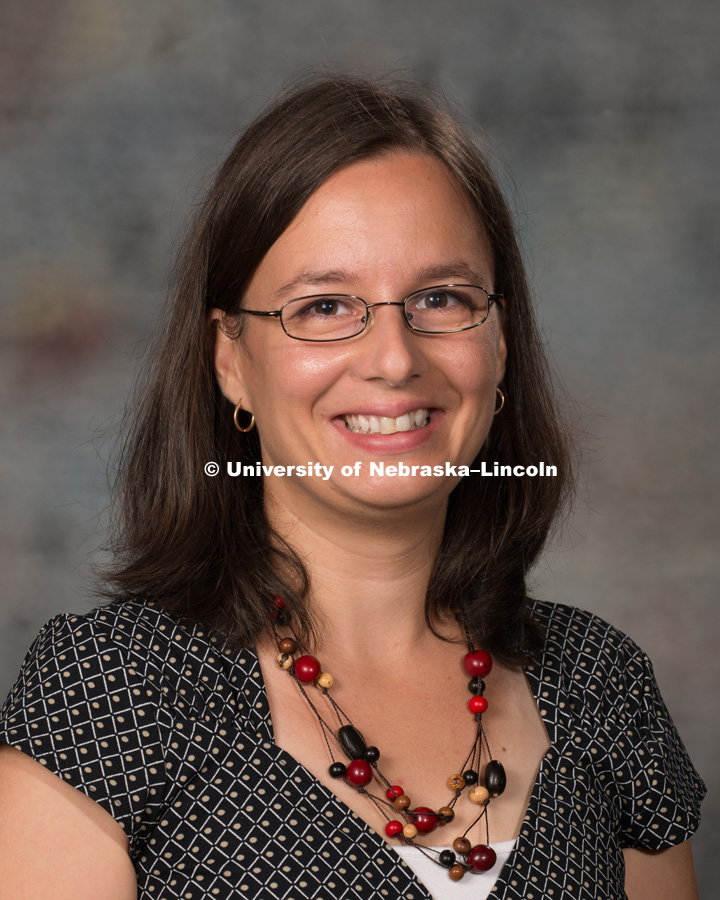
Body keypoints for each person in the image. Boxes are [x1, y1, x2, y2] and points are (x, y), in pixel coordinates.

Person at [0, 75, 705, 900]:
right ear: (230, 359)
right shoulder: (114, 690)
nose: (396, 359)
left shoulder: (600, 685)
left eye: (441, 298)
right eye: (326, 305)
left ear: (502, 341)